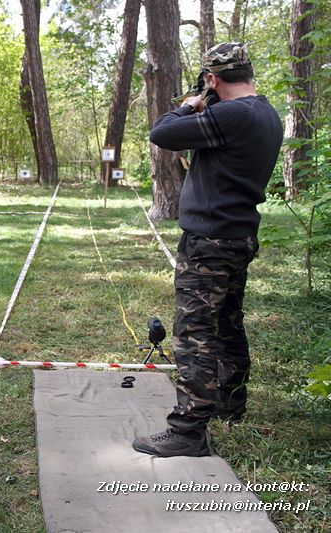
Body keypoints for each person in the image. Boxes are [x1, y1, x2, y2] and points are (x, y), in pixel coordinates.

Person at [133, 43, 283, 458]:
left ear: (214, 79)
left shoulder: (232, 113)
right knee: (227, 324)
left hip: (210, 241)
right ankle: (229, 403)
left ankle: (188, 430)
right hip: (236, 235)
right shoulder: (266, 112)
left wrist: (193, 103)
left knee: (196, 332)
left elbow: (161, 132)